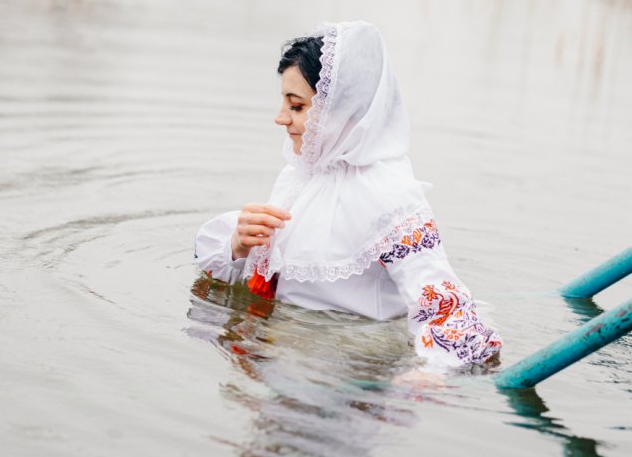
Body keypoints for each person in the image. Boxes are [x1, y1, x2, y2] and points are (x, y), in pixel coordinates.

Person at [194, 20, 503, 372]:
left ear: (342, 110)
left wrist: (426, 376)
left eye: (296, 107)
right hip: (286, 354)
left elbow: (446, 307)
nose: (280, 119)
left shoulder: (388, 195)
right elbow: (252, 274)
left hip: (350, 368)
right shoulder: (302, 174)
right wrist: (239, 244)